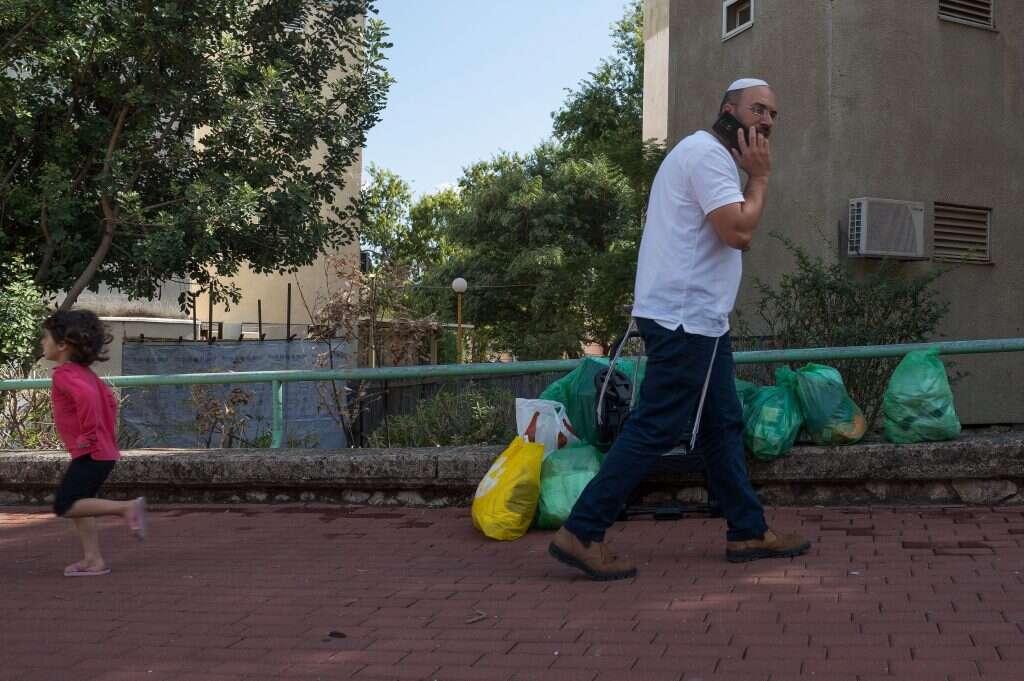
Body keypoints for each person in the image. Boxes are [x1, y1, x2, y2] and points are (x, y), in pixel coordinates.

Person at [549, 78, 810, 580]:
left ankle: (747, 529)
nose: (767, 122)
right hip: (686, 318)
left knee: (721, 424)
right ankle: (582, 531)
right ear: (728, 110)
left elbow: (727, 232)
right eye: (758, 109)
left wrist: (743, 203)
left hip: (700, 318)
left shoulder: (701, 156)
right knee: (657, 424)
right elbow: (737, 231)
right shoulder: (710, 157)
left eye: (773, 114)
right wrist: (759, 181)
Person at [42, 309, 147, 577]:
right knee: (82, 504)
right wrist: (102, 435)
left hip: (90, 452)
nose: (43, 343)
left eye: (46, 338)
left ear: (63, 344)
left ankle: (126, 508)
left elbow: (88, 399)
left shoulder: (64, 374)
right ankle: (93, 560)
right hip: (103, 452)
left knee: (65, 505)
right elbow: (110, 401)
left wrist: (88, 435)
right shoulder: (86, 372)